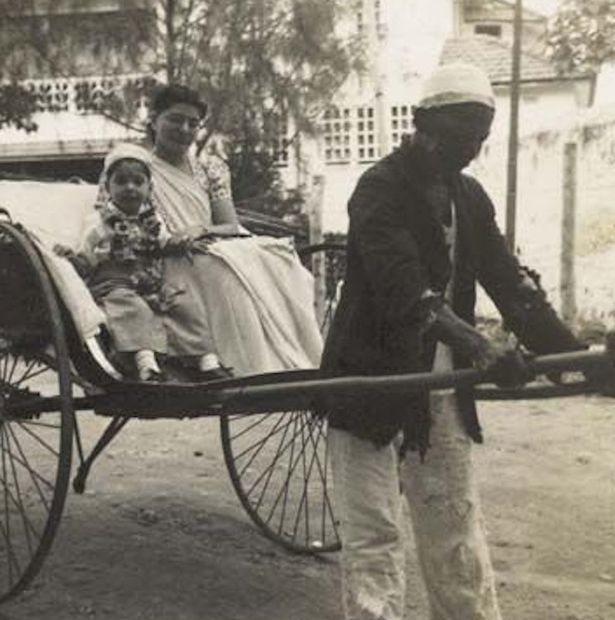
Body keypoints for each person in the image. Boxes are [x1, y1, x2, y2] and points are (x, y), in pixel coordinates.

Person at [320, 63, 589, 620]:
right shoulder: (378, 189)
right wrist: (480, 346)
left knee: (455, 536)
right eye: (457, 137)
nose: (467, 151)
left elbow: (508, 284)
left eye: (478, 140)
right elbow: (405, 291)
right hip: (370, 380)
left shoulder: (469, 196)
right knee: (374, 539)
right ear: (421, 125)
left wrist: (578, 359)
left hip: (443, 389)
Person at [129, 83, 322, 376]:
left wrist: (201, 229)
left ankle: (294, 359)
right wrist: (176, 239)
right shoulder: (136, 170)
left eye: (192, 124)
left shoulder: (210, 168)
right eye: (175, 119)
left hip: (210, 242)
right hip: (165, 257)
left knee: (278, 258)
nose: (184, 129)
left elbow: (230, 225)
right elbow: (131, 224)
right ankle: (245, 366)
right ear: (154, 120)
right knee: (221, 268)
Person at [56, 143, 229, 382]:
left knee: (183, 303)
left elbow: (164, 242)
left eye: (138, 182)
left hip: (151, 281)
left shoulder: (153, 220)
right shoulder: (99, 222)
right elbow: (87, 256)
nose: (130, 188)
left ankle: (205, 361)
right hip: (114, 284)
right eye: (121, 181)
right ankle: (146, 364)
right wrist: (72, 258)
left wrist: (183, 244)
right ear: (108, 187)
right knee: (133, 308)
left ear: (149, 189)